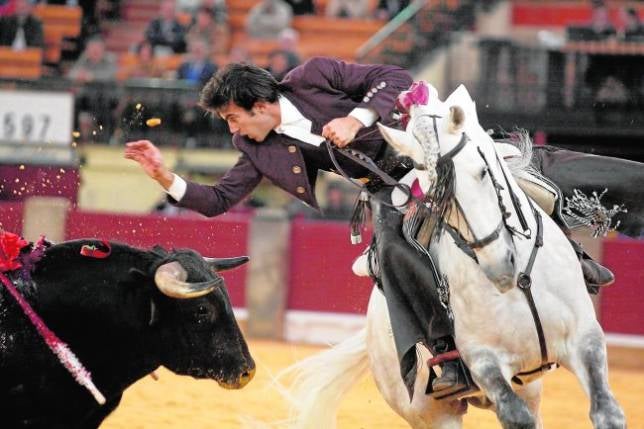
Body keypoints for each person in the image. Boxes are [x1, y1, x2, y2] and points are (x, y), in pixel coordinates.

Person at [124, 58, 615, 398]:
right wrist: (165, 177)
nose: (233, 130)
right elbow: (218, 200)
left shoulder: (313, 76)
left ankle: (574, 260)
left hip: (428, 147)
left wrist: (357, 117)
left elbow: (393, 77)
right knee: (393, 254)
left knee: (519, 180)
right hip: (392, 193)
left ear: (260, 104)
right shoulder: (259, 147)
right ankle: (441, 357)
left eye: (233, 118)